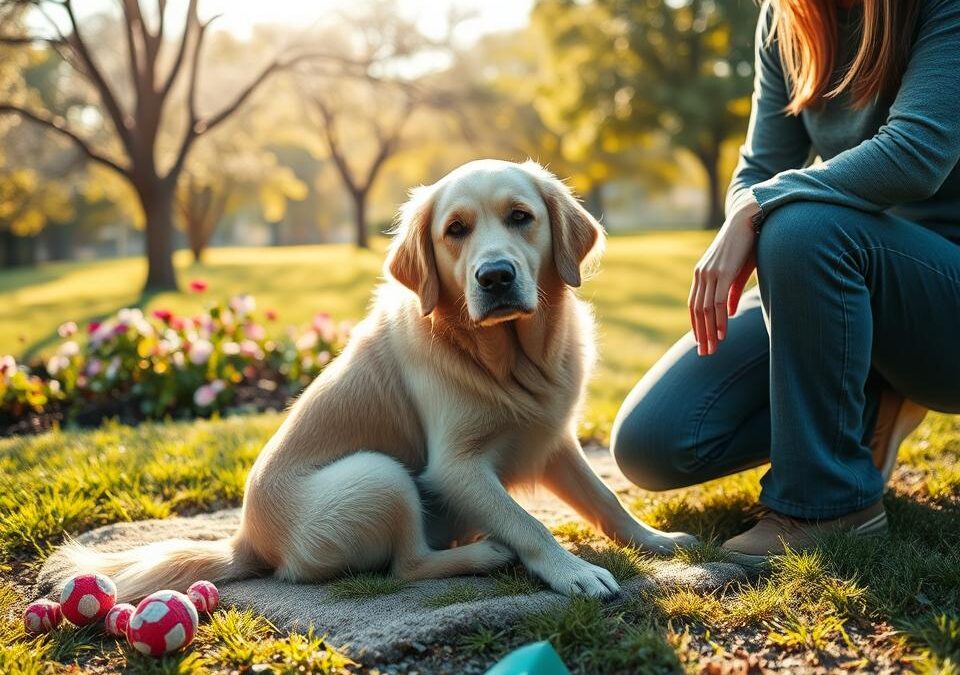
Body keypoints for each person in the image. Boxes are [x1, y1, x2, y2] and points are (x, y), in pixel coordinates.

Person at [611, 0, 960, 563]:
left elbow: (917, 153)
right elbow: (759, 167)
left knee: (799, 227)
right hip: (837, 278)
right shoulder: (787, 15)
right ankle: (865, 403)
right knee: (653, 442)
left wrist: (759, 207)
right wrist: (746, 209)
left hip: (941, 301)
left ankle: (828, 504)